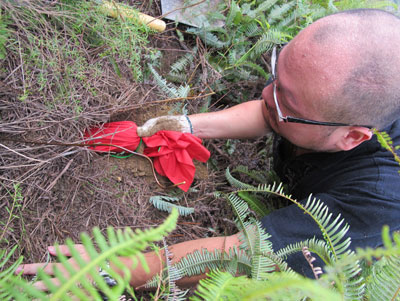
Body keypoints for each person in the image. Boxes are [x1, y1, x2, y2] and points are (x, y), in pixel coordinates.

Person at [17, 8, 400, 290]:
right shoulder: (325, 104)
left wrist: (112, 270)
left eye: (288, 102)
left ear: (352, 137)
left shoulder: (379, 201)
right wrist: (182, 126)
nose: (267, 94)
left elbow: (249, 253)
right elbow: (271, 112)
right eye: (276, 75)